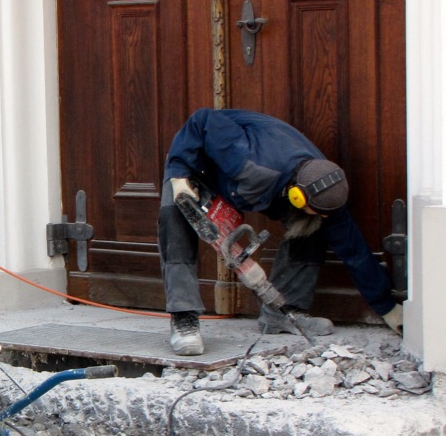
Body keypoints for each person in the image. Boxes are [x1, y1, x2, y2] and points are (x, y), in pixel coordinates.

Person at [158, 108, 403, 356]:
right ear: (297, 196)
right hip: (194, 165)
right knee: (176, 224)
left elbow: (354, 250)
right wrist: (179, 175)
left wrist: (387, 308)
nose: (324, 215)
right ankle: (184, 318)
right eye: (316, 209)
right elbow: (202, 120)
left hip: (248, 180)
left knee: (314, 224)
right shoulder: (249, 162)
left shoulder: (324, 187)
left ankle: (282, 312)